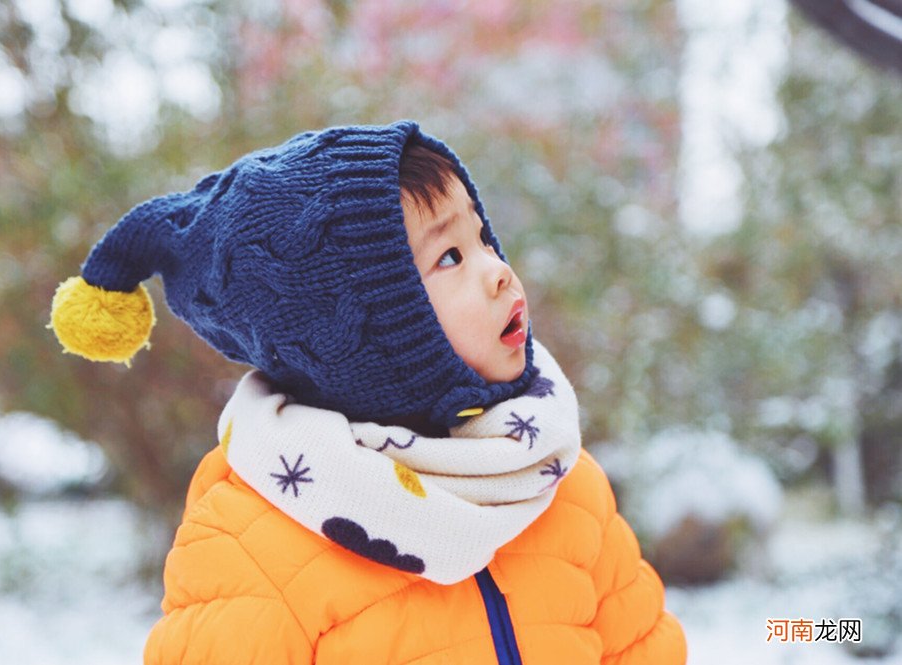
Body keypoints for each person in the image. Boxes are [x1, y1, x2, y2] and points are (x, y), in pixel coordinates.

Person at [50, 120, 686, 664]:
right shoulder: (260, 537)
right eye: (449, 259)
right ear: (368, 331)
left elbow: (640, 648)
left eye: (481, 238)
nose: (498, 272)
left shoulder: (555, 477)